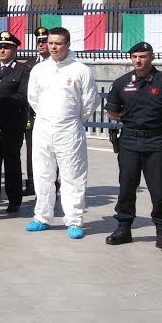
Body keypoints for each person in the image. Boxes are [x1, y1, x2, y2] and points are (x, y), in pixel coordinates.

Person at [104, 41, 162, 254]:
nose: (138, 60)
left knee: (158, 188)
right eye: (134, 57)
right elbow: (112, 111)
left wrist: (159, 121)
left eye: (142, 56)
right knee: (126, 186)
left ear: (151, 57)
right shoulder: (122, 82)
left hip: (155, 142)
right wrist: (131, 119)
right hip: (129, 142)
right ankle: (124, 228)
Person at [25, 27, 100, 239]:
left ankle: (74, 220)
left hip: (69, 129)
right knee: (42, 174)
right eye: (50, 43)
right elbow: (33, 98)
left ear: (67, 45)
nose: (54, 47)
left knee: (72, 175)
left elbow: (90, 101)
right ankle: (42, 217)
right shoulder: (39, 70)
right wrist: (48, 117)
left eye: (58, 43)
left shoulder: (80, 70)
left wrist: (74, 119)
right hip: (43, 127)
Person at [0, 31, 30, 214]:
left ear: (15, 49)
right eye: (0, 47)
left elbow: (23, 97)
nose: (2, 50)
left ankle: (14, 199)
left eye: (6, 47)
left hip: (12, 122)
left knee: (11, 162)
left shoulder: (22, 70)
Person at [24, 26, 51, 196]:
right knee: (32, 150)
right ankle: (32, 182)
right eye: (39, 41)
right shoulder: (29, 65)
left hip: (49, 114)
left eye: (44, 41)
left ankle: (51, 184)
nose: (41, 44)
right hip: (32, 115)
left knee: (50, 152)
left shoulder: (56, 64)